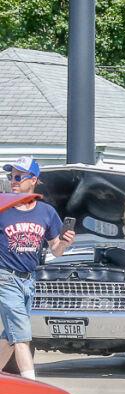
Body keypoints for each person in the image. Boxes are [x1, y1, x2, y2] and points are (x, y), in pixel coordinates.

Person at [0, 156, 73, 379]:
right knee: (21, 335)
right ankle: (31, 384)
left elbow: (55, 250)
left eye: (18, 176)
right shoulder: (3, 207)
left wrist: (65, 242)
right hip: (5, 278)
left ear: (33, 180)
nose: (13, 180)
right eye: (10, 176)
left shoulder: (46, 212)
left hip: (29, 281)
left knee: (10, 337)